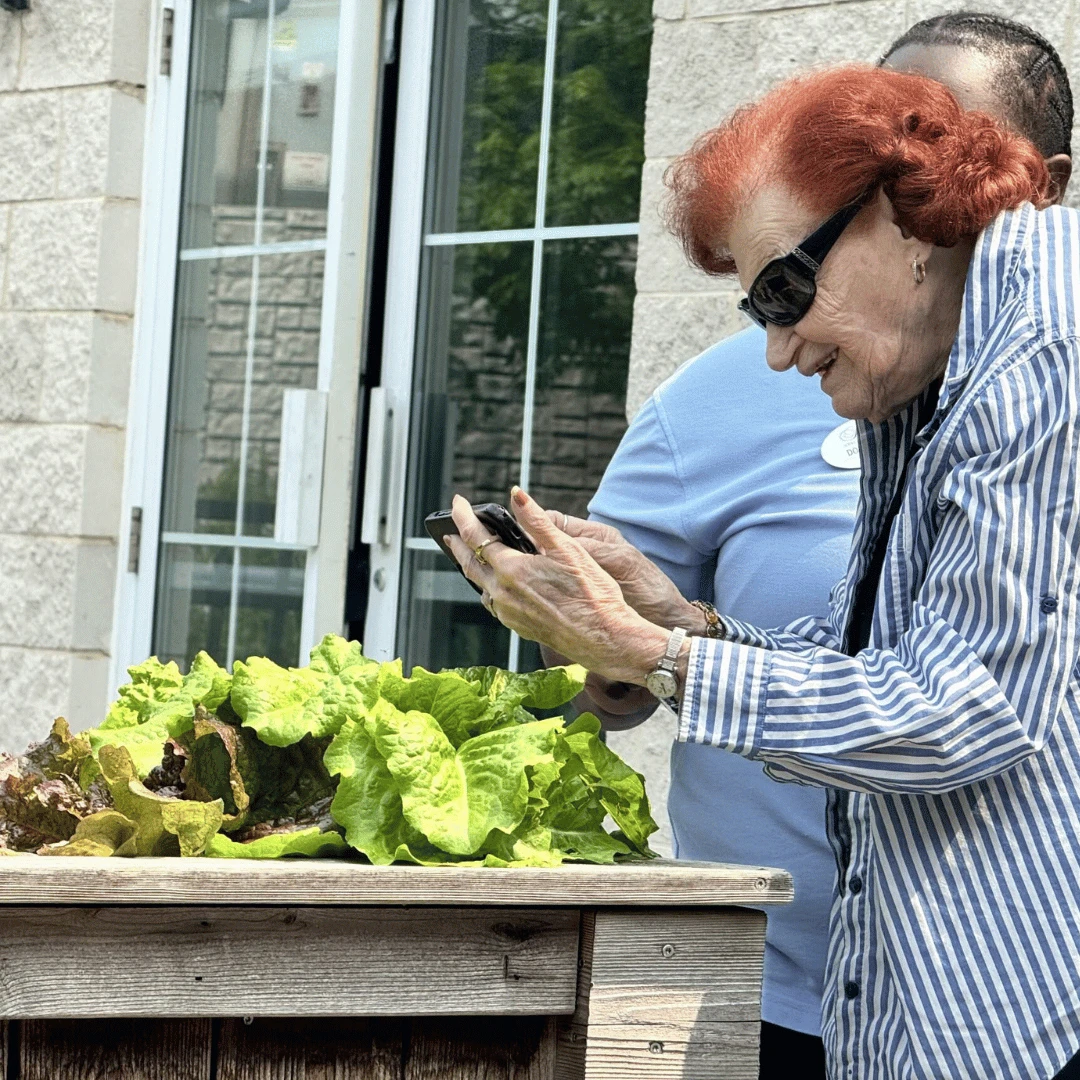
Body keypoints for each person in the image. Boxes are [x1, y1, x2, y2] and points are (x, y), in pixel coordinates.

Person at [449, 59, 1080, 1080]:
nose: (780, 351)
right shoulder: (937, 363)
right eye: (760, 313)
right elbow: (886, 660)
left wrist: (651, 655)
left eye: (786, 291)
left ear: (901, 212)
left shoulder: (1047, 350)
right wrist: (683, 624)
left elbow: (962, 710)